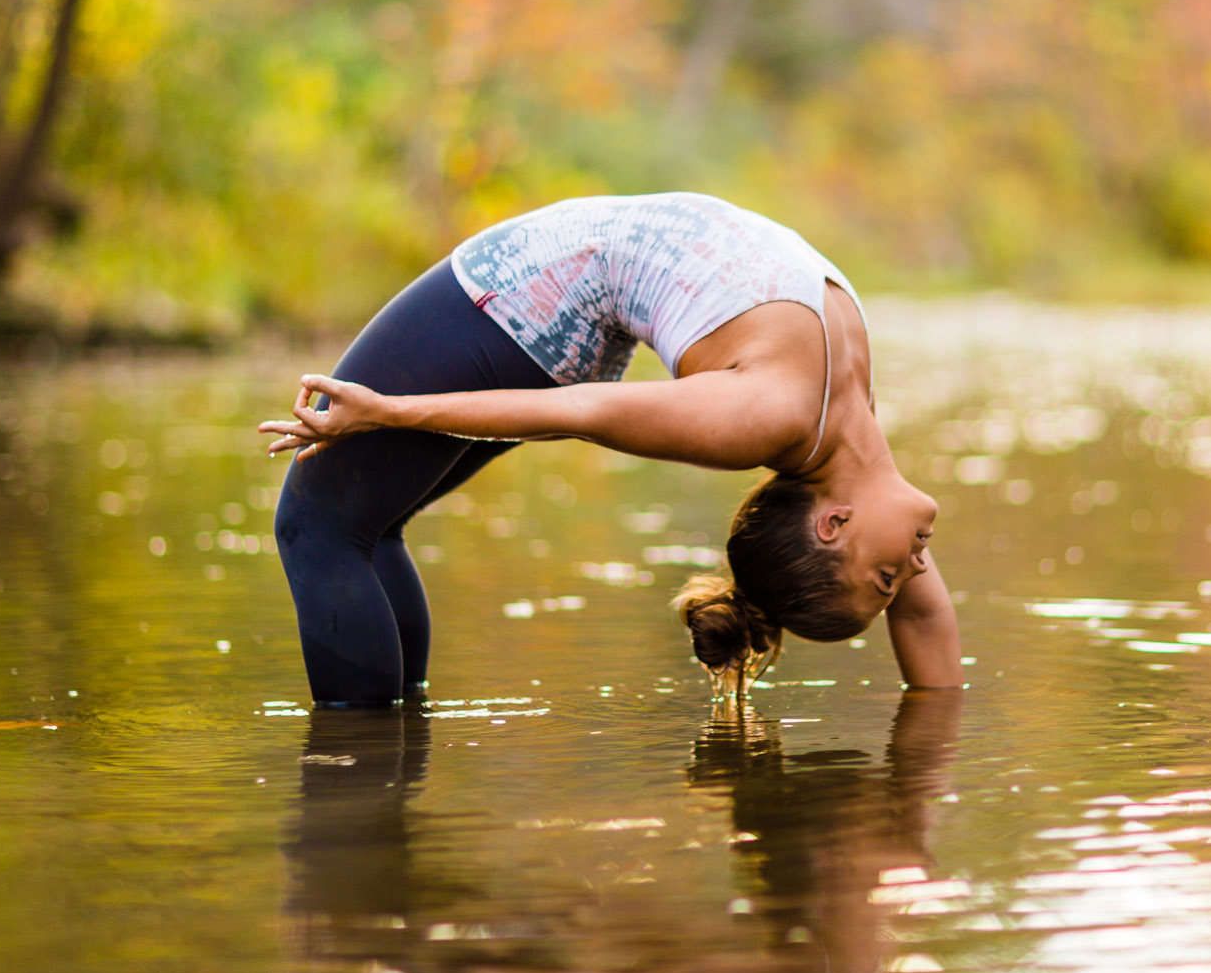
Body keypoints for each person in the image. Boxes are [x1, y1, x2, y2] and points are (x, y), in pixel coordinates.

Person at [257, 191, 962, 706]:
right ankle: (387, 770)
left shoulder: (796, 429)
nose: (916, 572)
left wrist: (387, 411)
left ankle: (359, 796)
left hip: (560, 293)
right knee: (357, 527)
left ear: (833, 522)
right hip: (560, 276)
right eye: (893, 580)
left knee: (320, 528)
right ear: (834, 522)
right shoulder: (815, 424)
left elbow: (577, 412)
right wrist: (387, 410)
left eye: (889, 578)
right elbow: (921, 611)